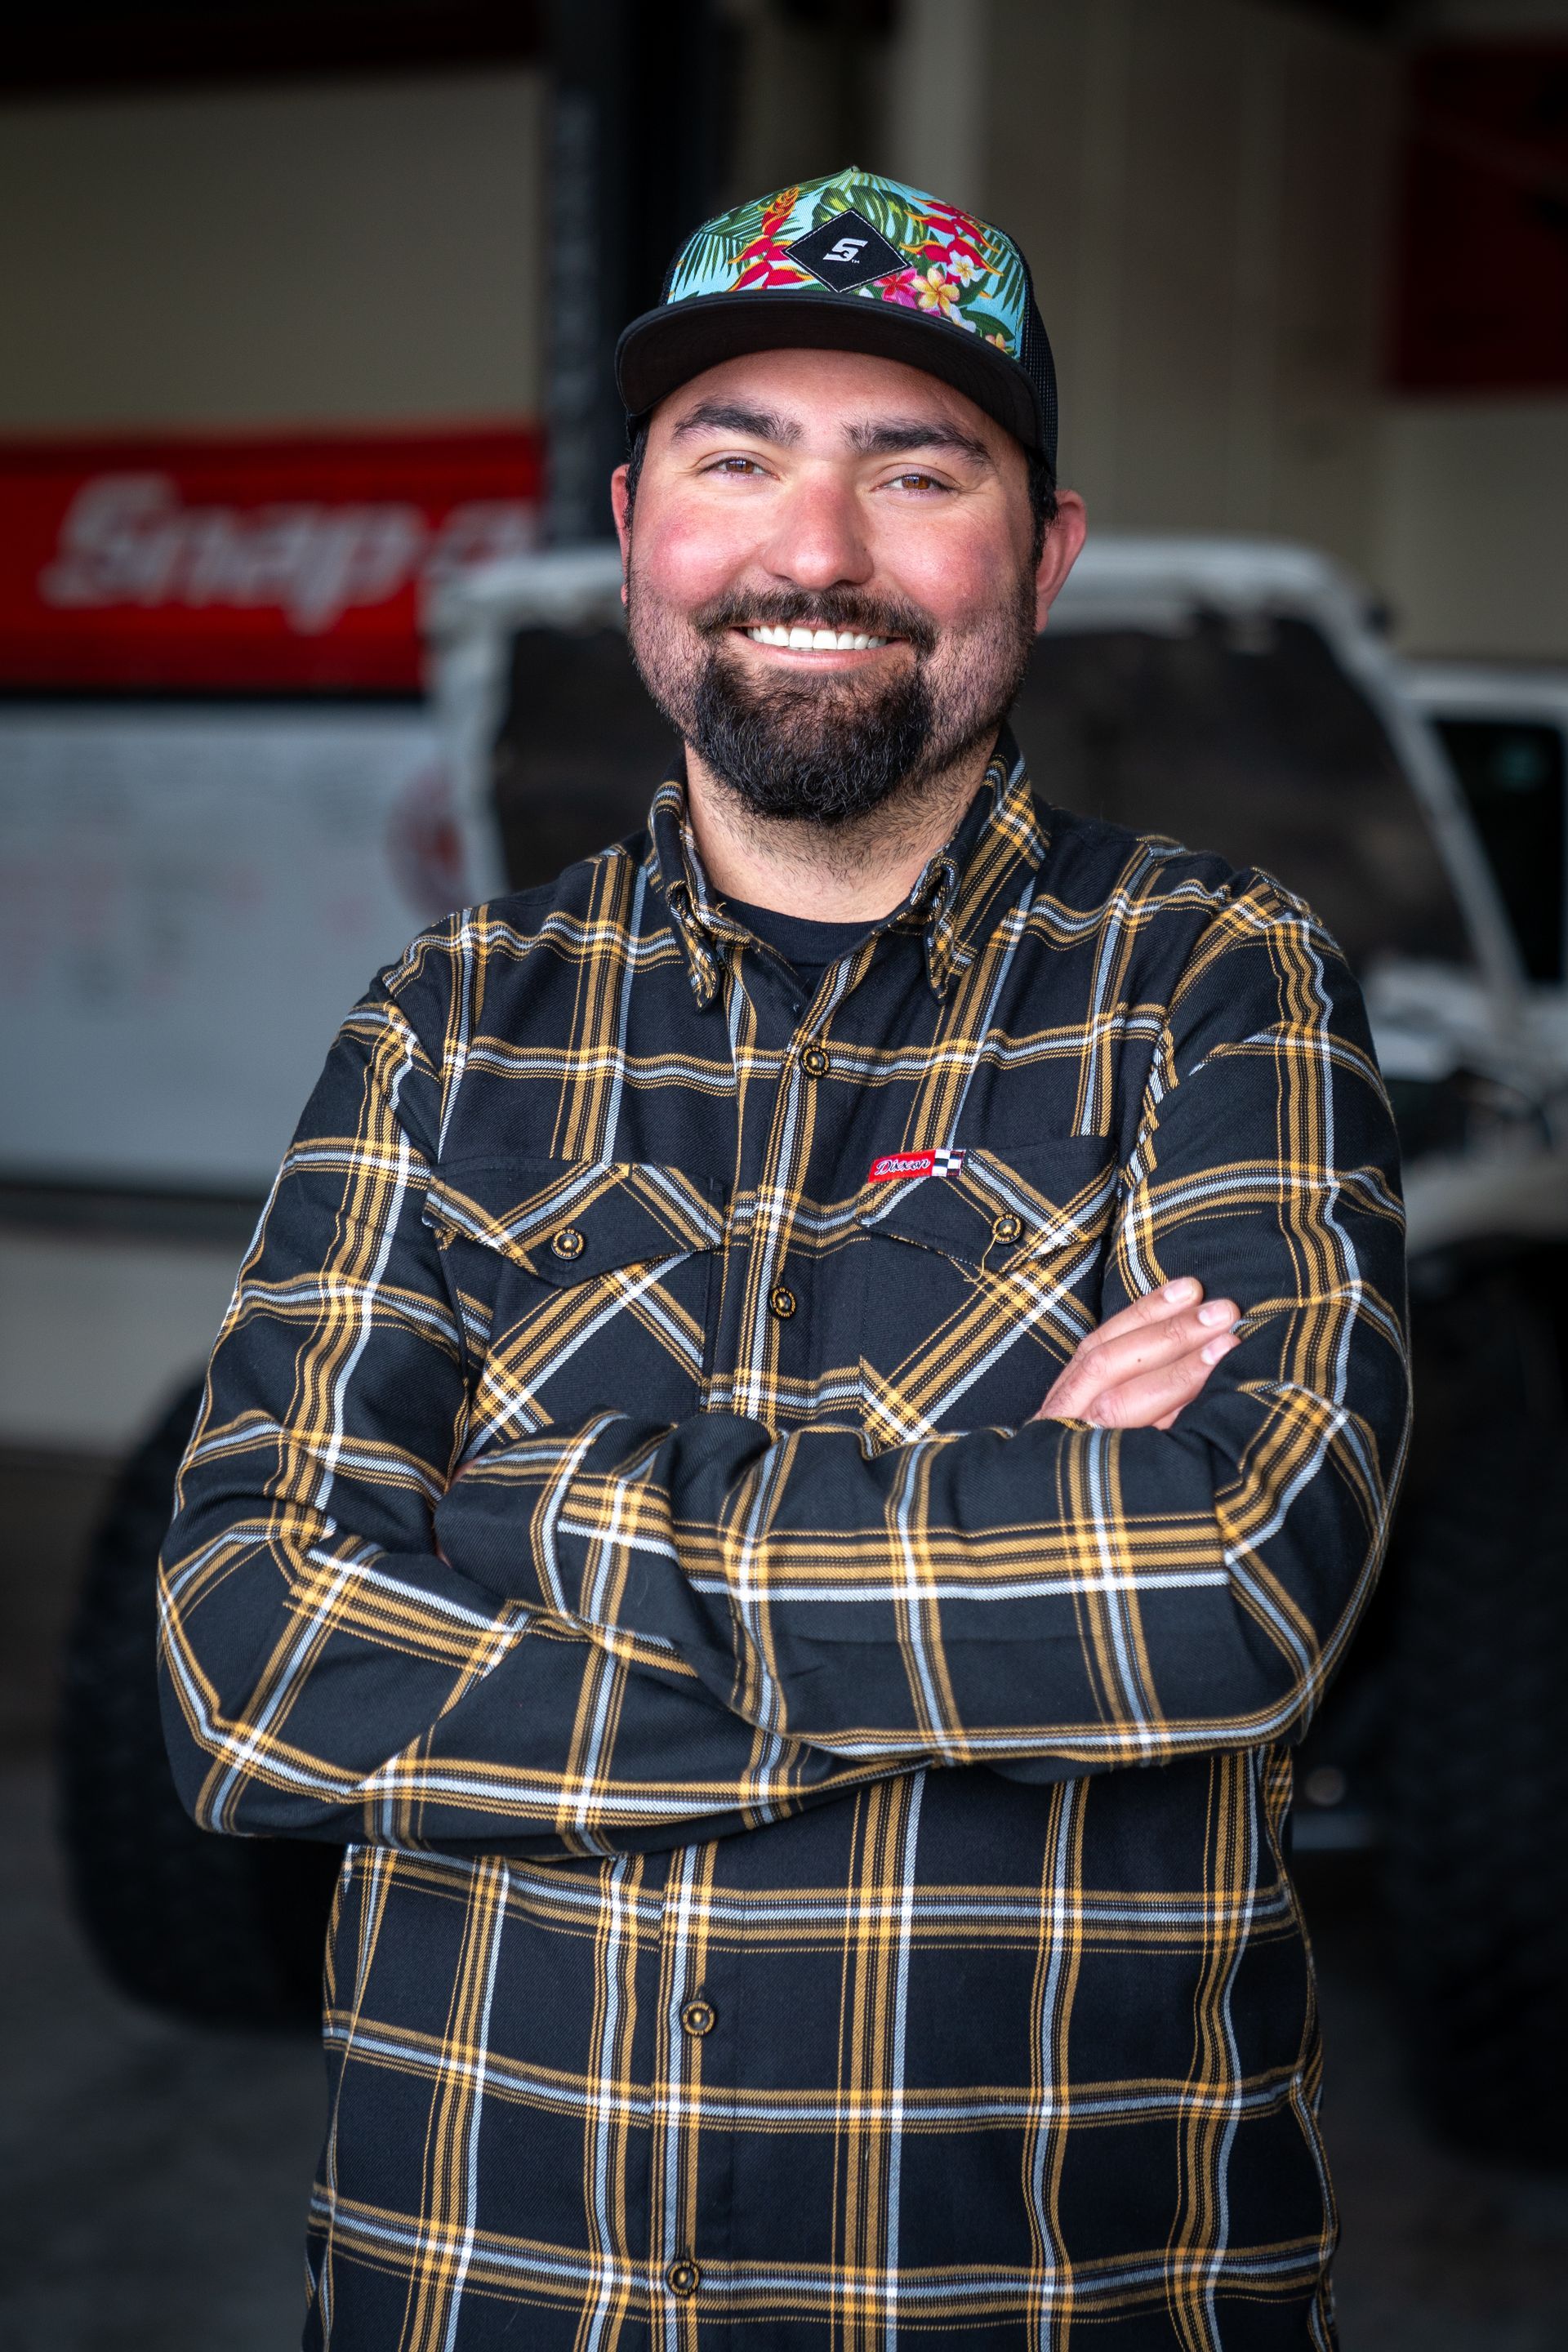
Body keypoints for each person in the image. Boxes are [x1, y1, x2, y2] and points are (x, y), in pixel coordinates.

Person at [159, 167, 1409, 2349]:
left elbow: (1221, 1580)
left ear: (1046, 546)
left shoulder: (1215, 987)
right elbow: (252, 1650)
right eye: (741, 460)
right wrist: (973, 1620)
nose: (813, 550)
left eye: (915, 471)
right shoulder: (446, 1025)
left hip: (1045, 2302)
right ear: (643, 524)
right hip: (486, 2286)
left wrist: (525, 1520)